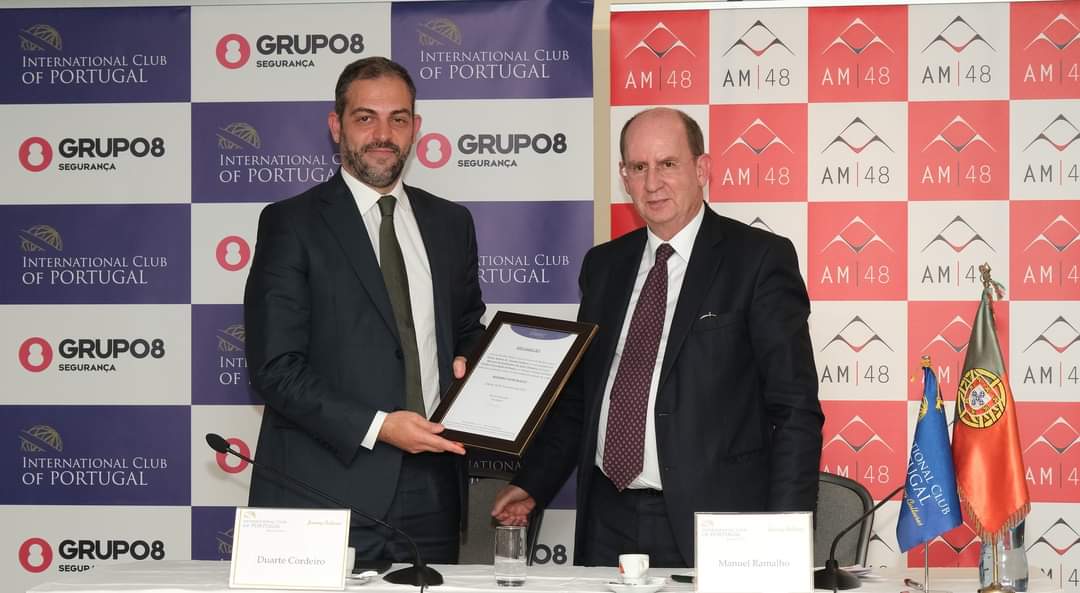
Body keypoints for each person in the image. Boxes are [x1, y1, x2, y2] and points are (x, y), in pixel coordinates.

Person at [492, 107, 823, 567]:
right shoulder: (603, 266)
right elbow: (582, 400)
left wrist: (784, 536)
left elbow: (794, 410)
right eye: (638, 167)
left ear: (701, 169)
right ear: (624, 178)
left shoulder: (758, 260)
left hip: (713, 521)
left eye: (668, 164)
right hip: (606, 516)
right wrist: (534, 483)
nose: (652, 183)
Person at [244, 56, 485, 563]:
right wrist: (379, 425)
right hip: (325, 490)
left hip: (434, 490)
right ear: (336, 126)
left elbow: (467, 326)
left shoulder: (451, 223)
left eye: (398, 119)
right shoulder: (291, 224)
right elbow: (275, 368)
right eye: (365, 118)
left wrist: (473, 357)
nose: (383, 135)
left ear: (416, 127)